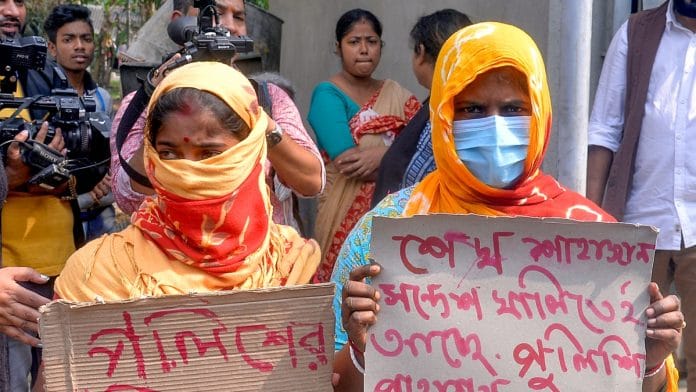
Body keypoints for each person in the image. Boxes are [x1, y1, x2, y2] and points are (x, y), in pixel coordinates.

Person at [331, 22, 683, 392]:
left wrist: (650, 362)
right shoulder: (387, 230)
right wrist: (360, 349)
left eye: (514, 108)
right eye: (472, 108)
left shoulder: (596, 241)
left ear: (541, 114)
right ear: (443, 114)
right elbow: (332, 381)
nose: (496, 127)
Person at [111, 0, 324, 233]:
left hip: (257, 261)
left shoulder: (269, 97)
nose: (230, 26)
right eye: (215, 13)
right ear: (177, 22)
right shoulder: (142, 103)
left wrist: (257, 117)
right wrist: (161, 103)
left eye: (239, 17)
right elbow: (127, 196)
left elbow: (311, 182)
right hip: (171, 263)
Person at [586, 0, 696, 387]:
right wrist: (595, 222)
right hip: (637, 227)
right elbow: (604, 130)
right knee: (625, 355)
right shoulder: (636, 33)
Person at [307, 9, 420, 283]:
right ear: (338, 47)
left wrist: (383, 154)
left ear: (381, 46)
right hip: (340, 209)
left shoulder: (396, 93)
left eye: (371, 41)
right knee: (343, 287)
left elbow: (425, 150)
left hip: (392, 211)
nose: (364, 50)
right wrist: (400, 160)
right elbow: (349, 162)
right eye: (354, 42)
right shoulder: (328, 93)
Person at [372, 9, 472, 205]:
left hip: (419, 226)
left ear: (421, 52)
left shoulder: (442, 110)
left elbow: (414, 179)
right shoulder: (463, 101)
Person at [44, 4, 117, 241]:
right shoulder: (43, 98)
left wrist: (104, 183)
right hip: (56, 206)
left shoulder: (102, 98)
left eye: (86, 39)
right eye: (69, 39)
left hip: (101, 207)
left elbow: (110, 149)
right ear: (52, 48)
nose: (79, 46)